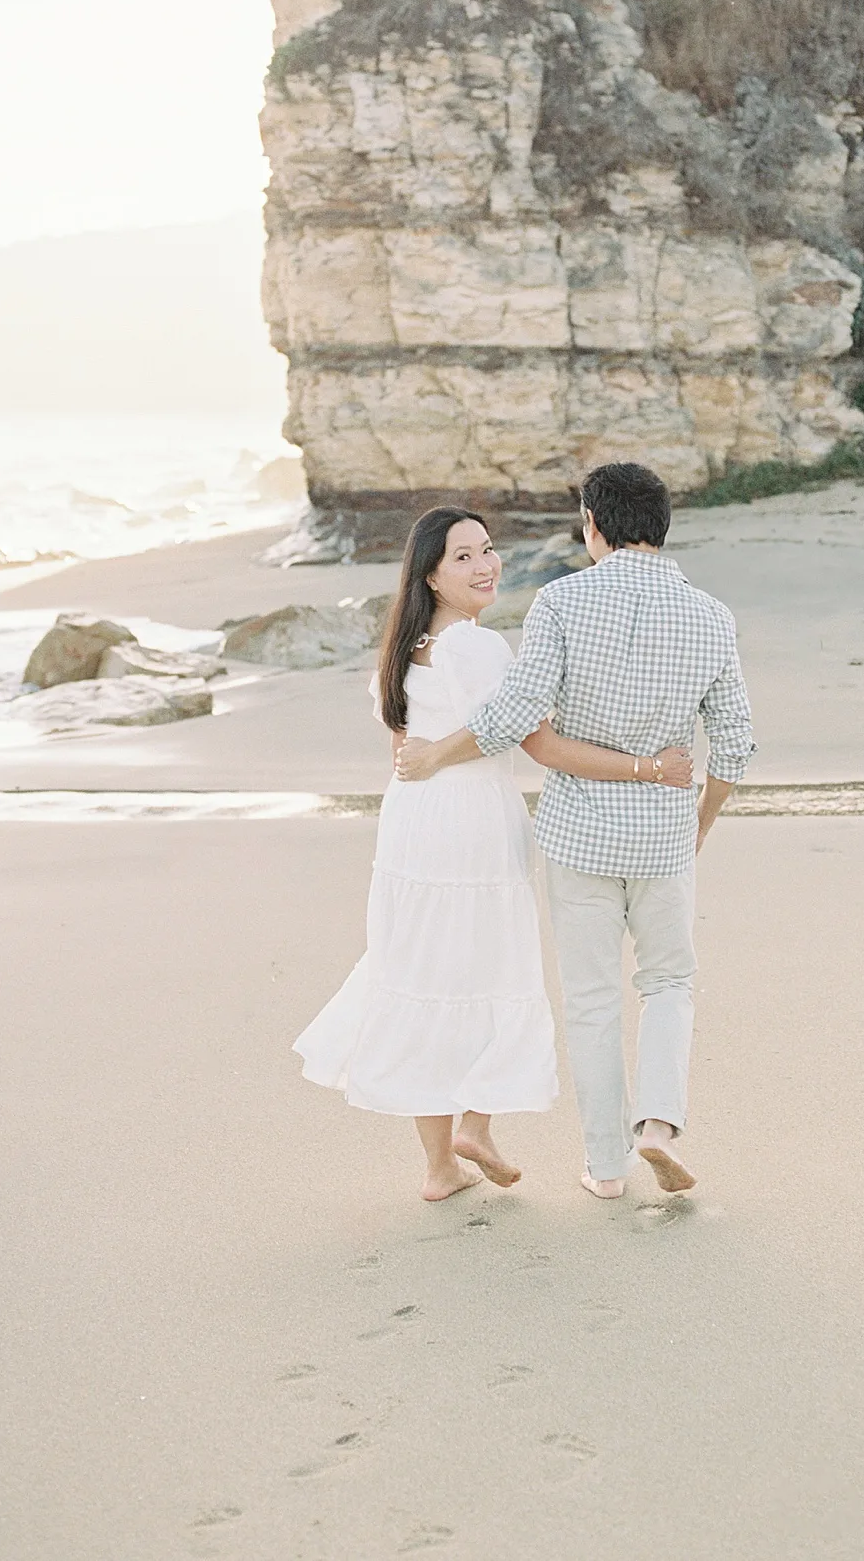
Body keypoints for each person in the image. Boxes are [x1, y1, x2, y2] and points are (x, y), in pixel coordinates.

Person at [293, 505, 696, 1204]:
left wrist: (433, 754)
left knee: (421, 966)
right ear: (432, 573)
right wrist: (650, 767)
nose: (486, 565)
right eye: (464, 557)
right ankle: (474, 1123)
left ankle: (439, 1165)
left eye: (487, 549)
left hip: (412, 823)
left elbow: (403, 742)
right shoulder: (476, 647)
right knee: (487, 966)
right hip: (471, 820)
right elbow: (529, 739)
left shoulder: (405, 644)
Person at [395, 463, 754, 1201]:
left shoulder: (561, 601)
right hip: (663, 839)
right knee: (669, 984)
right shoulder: (711, 615)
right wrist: (699, 823)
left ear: (593, 524)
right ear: (661, 526)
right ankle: (657, 1127)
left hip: (579, 838)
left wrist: (432, 751)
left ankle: (607, 1168)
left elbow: (512, 714)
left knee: (591, 1000)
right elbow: (738, 743)